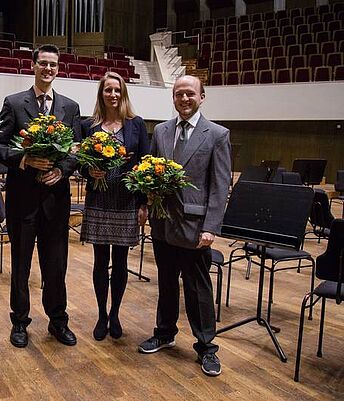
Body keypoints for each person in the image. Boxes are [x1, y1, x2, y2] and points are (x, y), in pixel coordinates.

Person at [137, 75, 231, 377]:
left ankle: (206, 346)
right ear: (173, 98)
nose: (184, 99)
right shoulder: (162, 131)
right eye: (178, 94)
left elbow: (219, 185)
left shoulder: (217, 134)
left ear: (201, 97)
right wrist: (147, 203)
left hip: (195, 227)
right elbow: (152, 173)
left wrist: (211, 227)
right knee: (166, 284)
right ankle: (164, 333)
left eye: (189, 94)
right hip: (163, 223)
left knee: (198, 289)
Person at [0, 44, 83, 348]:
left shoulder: (70, 107)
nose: (48, 69)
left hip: (56, 202)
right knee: (21, 265)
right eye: (43, 63)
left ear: (59, 69)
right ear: (32, 65)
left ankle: (58, 322)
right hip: (23, 200)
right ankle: (19, 322)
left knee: (56, 266)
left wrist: (62, 171)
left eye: (53, 65)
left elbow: (76, 149)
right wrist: (23, 160)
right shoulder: (15, 103)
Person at [80, 72, 150, 341]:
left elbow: (144, 163)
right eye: (108, 90)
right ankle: (100, 314)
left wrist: (143, 203)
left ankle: (116, 314)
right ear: (101, 94)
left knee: (120, 261)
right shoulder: (90, 125)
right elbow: (81, 162)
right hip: (99, 199)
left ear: (123, 94)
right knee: (100, 261)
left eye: (117, 90)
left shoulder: (136, 124)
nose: (113, 94)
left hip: (126, 200)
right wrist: (89, 172)